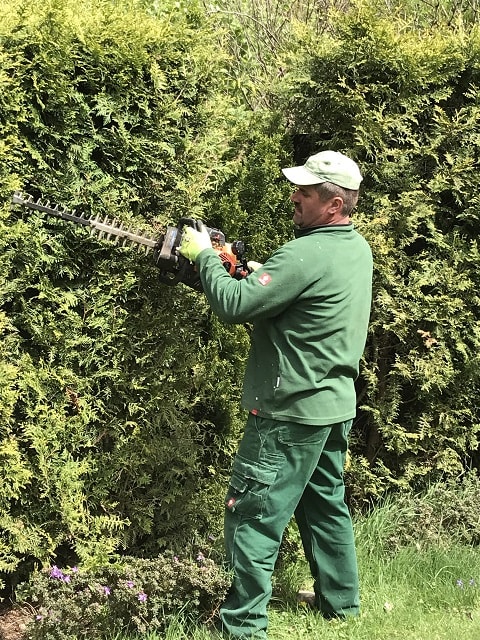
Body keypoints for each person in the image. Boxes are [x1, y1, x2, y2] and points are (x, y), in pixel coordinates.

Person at [179, 150, 373, 639]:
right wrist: (256, 271)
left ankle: (243, 627)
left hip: (289, 411)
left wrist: (206, 256)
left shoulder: (304, 254)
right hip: (332, 405)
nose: (295, 197)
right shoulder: (353, 248)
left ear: (333, 205)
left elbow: (234, 305)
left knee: (254, 513)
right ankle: (341, 606)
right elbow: (303, 302)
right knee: (324, 504)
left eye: (306, 193)